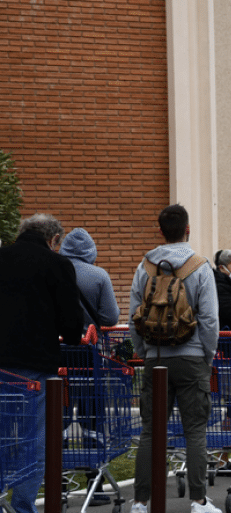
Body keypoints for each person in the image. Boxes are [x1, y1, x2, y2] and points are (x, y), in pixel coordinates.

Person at [129, 205, 221, 513]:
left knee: (150, 431)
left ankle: (141, 502)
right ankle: (198, 501)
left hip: (155, 358)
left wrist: (144, 354)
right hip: (191, 357)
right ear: (188, 229)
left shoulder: (145, 266)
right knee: (194, 430)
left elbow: (133, 317)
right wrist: (206, 356)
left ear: (160, 232)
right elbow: (209, 320)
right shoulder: (200, 266)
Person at [0, 214, 84, 513]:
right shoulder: (57, 265)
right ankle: (23, 505)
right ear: (54, 240)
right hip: (35, 366)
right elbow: (73, 326)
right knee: (32, 439)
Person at [60, 227, 120, 505]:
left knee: (57, 415)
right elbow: (110, 316)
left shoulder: (52, 271)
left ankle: (58, 482)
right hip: (87, 352)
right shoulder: (98, 276)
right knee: (92, 418)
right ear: (91, 251)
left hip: (55, 352)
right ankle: (93, 485)